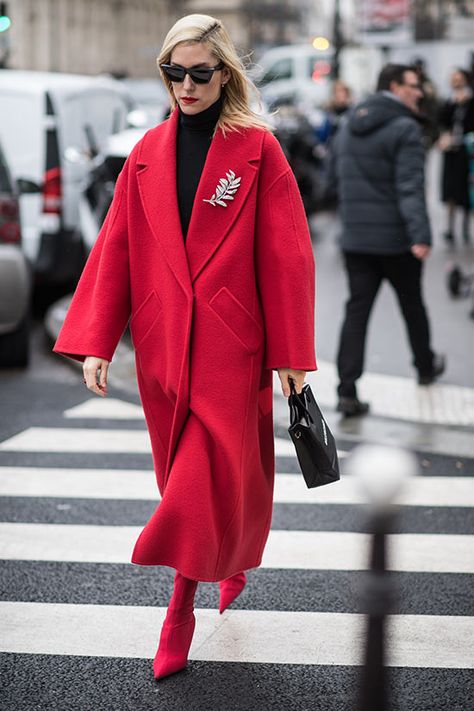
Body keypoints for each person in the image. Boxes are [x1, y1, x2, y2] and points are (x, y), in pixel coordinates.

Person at [53, 14, 316, 680]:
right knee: (194, 477)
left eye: (201, 72)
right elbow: (114, 251)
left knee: (196, 482)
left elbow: (288, 256)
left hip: (233, 347)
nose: (187, 85)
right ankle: (227, 562)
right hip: (166, 344)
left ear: (223, 73)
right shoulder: (145, 151)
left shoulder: (258, 150)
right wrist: (97, 340)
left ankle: (178, 608)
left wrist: (292, 354)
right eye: (175, 72)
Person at [331, 63, 445, 417]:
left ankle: (347, 389)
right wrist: (421, 235)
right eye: (413, 86)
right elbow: (410, 187)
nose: (420, 92)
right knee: (412, 305)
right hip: (395, 240)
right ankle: (425, 368)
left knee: (357, 311)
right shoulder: (405, 128)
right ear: (395, 87)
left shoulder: (348, 123)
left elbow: (335, 175)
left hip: (356, 238)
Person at [438, 68, 474, 246]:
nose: (456, 82)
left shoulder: (470, 100)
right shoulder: (448, 100)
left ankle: (466, 228)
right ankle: (450, 229)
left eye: (459, 79)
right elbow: (442, 121)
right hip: (450, 151)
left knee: (465, 188)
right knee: (450, 190)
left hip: (466, 150)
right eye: (453, 79)